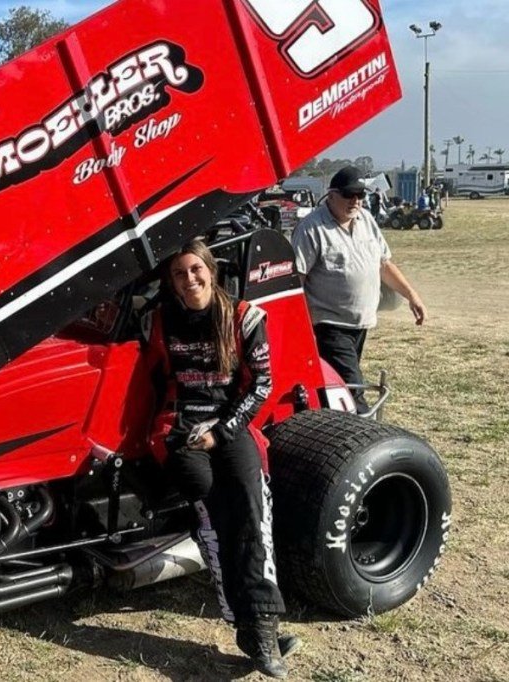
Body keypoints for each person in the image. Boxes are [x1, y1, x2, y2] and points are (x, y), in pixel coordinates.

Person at [146, 239, 298, 678]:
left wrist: (221, 432)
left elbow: (263, 384)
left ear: (211, 271)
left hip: (228, 423)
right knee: (216, 515)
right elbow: (150, 380)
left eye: (196, 269)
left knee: (252, 505)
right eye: (179, 273)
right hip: (180, 429)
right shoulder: (159, 320)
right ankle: (248, 627)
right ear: (171, 281)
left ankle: (261, 628)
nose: (189, 279)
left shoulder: (244, 317)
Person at [292, 166, 426, 413]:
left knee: (335, 389)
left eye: (360, 195)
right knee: (352, 391)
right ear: (332, 195)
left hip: (360, 324)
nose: (355, 201)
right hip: (329, 325)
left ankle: (329, 424)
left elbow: (384, 264)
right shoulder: (311, 228)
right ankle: (366, 429)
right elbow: (297, 278)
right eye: (348, 194)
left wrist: (412, 296)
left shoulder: (366, 220)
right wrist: (298, 326)